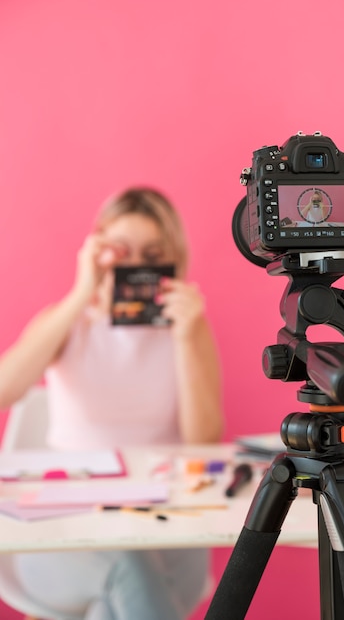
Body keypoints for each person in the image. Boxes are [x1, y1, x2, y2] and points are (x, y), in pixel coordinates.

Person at [0, 187, 224, 620]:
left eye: (153, 253)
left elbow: (205, 440)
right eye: (122, 251)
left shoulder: (190, 328)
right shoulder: (65, 321)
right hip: (68, 529)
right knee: (129, 566)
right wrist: (81, 294)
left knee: (117, 601)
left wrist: (184, 336)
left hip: (165, 521)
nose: (136, 265)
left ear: (173, 258)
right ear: (99, 252)